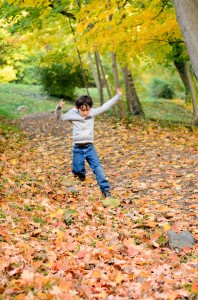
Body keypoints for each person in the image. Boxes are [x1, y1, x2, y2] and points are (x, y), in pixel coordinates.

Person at [55, 87, 122, 198]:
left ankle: (105, 190)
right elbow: (59, 118)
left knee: (98, 168)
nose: (85, 113)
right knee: (77, 170)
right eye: (82, 110)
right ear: (77, 108)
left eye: (87, 110)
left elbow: (106, 106)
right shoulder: (72, 114)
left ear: (90, 108)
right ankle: (81, 174)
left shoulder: (92, 113)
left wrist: (117, 96)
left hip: (90, 148)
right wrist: (59, 108)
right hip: (78, 148)